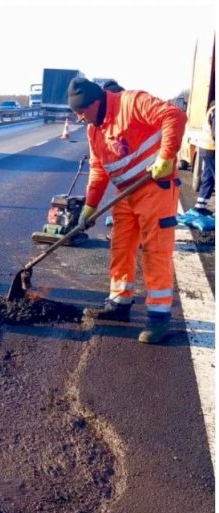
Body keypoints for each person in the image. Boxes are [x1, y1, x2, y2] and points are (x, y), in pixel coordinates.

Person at [69, 77, 187, 344]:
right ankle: (119, 303)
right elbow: (99, 170)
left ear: (95, 103)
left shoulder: (132, 102)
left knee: (155, 250)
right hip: (125, 194)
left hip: (155, 187)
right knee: (120, 247)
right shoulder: (94, 131)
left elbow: (174, 115)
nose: (78, 118)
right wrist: (89, 207)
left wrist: (166, 157)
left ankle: (159, 318)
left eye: (81, 112)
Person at [194, 101, 214, 215]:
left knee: (208, 177)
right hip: (211, 149)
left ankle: (200, 206)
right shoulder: (216, 110)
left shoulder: (212, 109)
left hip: (206, 148)